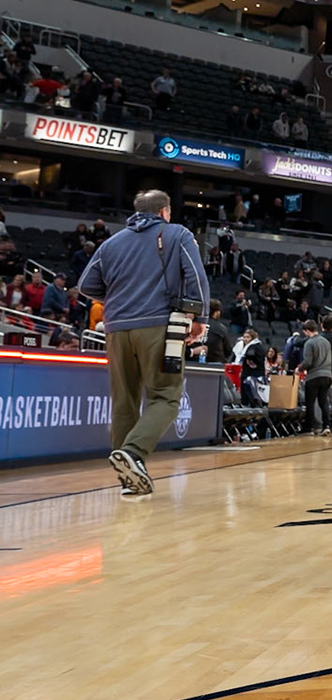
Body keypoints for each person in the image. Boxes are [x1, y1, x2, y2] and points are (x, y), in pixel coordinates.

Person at [76, 191, 209, 495]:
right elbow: (196, 278)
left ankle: (129, 481)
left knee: (124, 401)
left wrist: (119, 300)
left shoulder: (110, 243)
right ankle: (134, 453)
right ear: (164, 211)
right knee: (166, 396)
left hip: (116, 329)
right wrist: (198, 317)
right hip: (159, 326)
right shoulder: (178, 234)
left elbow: (85, 285)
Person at [299, 320, 332, 435]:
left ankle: (309, 427)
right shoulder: (326, 342)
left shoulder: (309, 343)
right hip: (327, 375)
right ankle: (326, 425)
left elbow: (308, 362)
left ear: (307, 331)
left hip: (314, 376)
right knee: (324, 401)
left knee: (310, 402)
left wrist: (299, 368)